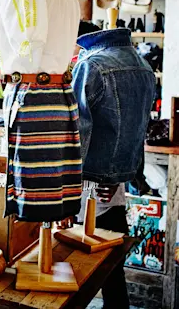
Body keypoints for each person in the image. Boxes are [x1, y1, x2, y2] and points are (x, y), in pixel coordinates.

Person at [72, 22, 155, 309]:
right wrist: (133, 175)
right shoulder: (142, 65)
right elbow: (140, 126)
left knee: (71, 272)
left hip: (87, 189)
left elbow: (78, 131)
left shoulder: (91, 64)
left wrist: (66, 184)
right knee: (112, 273)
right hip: (116, 186)